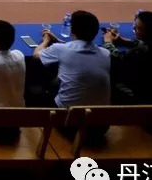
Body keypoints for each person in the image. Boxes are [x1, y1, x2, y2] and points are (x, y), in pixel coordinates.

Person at [34, 10, 111, 141]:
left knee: (37, 91)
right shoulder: (105, 53)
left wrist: (46, 40)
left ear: (72, 30)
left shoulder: (60, 49)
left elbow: (37, 55)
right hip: (100, 127)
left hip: (68, 125)